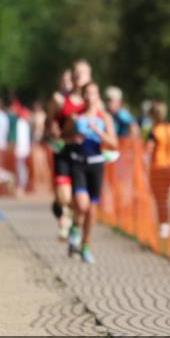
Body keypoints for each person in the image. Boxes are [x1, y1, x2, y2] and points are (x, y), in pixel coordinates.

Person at [67, 82, 117, 264]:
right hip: (79, 163)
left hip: (96, 164)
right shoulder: (76, 117)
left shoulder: (104, 118)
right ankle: (74, 228)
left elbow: (113, 143)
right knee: (82, 205)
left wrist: (98, 132)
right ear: (82, 96)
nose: (89, 97)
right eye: (86, 94)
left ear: (98, 97)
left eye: (92, 94)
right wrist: (73, 138)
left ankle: (86, 246)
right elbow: (65, 138)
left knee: (92, 210)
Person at [47, 68, 80, 239]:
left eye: (70, 80)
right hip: (61, 149)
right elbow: (48, 122)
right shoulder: (57, 99)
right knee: (65, 195)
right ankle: (64, 218)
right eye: (64, 80)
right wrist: (52, 130)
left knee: (77, 196)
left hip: (80, 152)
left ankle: (71, 224)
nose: (67, 83)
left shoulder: (84, 100)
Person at [147, 101, 170, 240]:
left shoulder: (154, 131)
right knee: (165, 198)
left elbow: (149, 149)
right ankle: (166, 224)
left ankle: (164, 224)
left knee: (160, 198)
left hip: (157, 168)